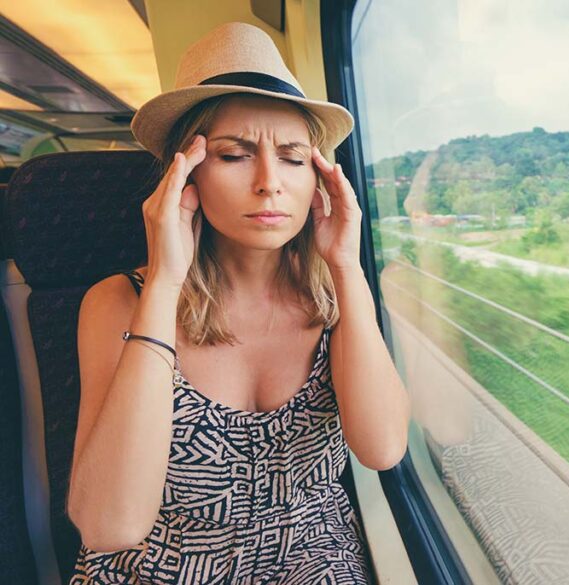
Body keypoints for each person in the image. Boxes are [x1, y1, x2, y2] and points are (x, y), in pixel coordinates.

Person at [66, 22, 410, 584]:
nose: (270, 182)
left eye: (295, 159)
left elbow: (383, 448)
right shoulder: (117, 303)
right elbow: (109, 526)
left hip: (312, 565)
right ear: (186, 173)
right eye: (234, 155)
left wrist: (346, 266)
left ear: (318, 180)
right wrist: (164, 283)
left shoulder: (334, 296)